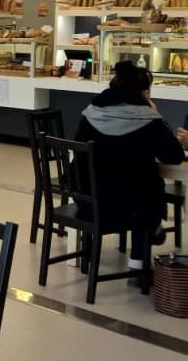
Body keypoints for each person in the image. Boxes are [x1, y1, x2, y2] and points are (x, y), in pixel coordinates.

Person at [75, 61, 185, 268]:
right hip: (130, 207)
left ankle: (90, 256)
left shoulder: (91, 113)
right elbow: (173, 156)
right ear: (144, 92)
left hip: (87, 201)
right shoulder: (147, 119)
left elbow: (77, 146)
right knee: (145, 192)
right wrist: (155, 113)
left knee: (135, 189)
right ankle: (137, 261)